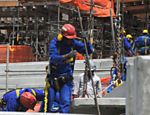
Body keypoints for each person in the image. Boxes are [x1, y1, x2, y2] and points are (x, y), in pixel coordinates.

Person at [40, 24, 93, 113]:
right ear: (62, 37)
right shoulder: (55, 43)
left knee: (65, 103)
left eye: (71, 39)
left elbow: (89, 51)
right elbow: (53, 58)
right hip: (53, 79)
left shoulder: (73, 43)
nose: (70, 41)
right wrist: (66, 56)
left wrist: (86, 41)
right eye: (68, 39)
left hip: (66, 80)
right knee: (48, 104)